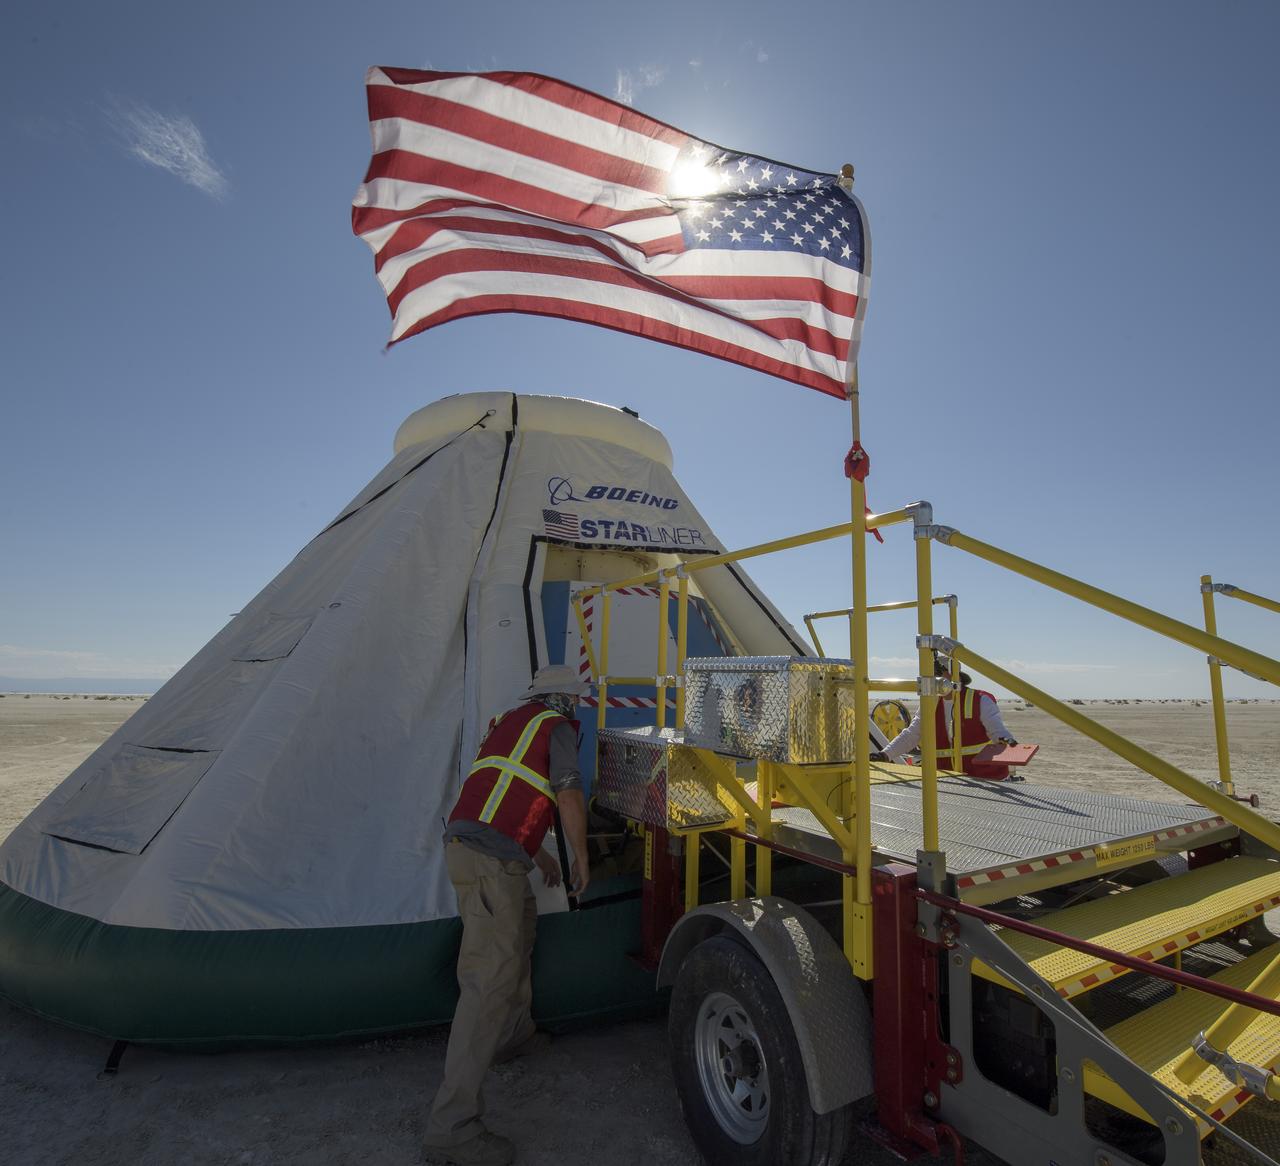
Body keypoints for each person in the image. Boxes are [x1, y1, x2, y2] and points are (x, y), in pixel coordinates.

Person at [423, 665, 592, 1166]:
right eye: (576, 700)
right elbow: (567, 793)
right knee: (487, 981)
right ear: (564, 699)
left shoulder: (510, 721)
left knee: (520, 936)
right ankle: (451, 1128)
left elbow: (505, 793)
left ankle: (512, 1036)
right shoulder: (556, 727)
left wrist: (534, 854)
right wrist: (580, 858)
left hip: (484, 850)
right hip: (488, 862)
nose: (578, 708)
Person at [880, 659, 1018, 779]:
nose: (935, 678)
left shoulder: (980, 700)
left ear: (955, 676)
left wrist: (1004, 739)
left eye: (939, 673)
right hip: (948, 779)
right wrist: (886, 754)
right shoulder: (929, 704)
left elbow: (997, 730)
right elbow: (911, 735)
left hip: (985, 778)